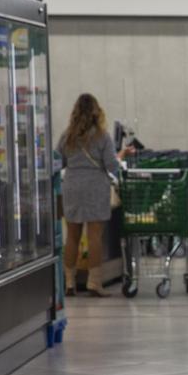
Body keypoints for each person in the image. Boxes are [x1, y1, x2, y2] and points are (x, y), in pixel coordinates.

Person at [56, 93, 131, 297]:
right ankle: (94, 283)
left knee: (72, 237)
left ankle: (69, 283)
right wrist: (120, 158)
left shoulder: (66, 136)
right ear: (96, 112)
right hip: (95, 187)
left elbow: (58, 162)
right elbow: (111, 166)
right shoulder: (101, 136)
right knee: (94, 237)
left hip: (71, 186)